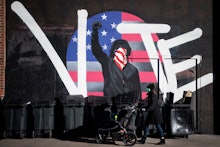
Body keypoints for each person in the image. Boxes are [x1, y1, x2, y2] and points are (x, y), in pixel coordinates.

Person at [91, 21, 141, 101]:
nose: (120, 54)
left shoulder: (133, 70)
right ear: (113, 52)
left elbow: (137, 91)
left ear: (127, 52)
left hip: (127, 104)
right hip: (110, 102)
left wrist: (137, 105)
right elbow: (97, 50)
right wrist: (94, 32)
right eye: (118, 50)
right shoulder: (108, 63)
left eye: (123, 50)